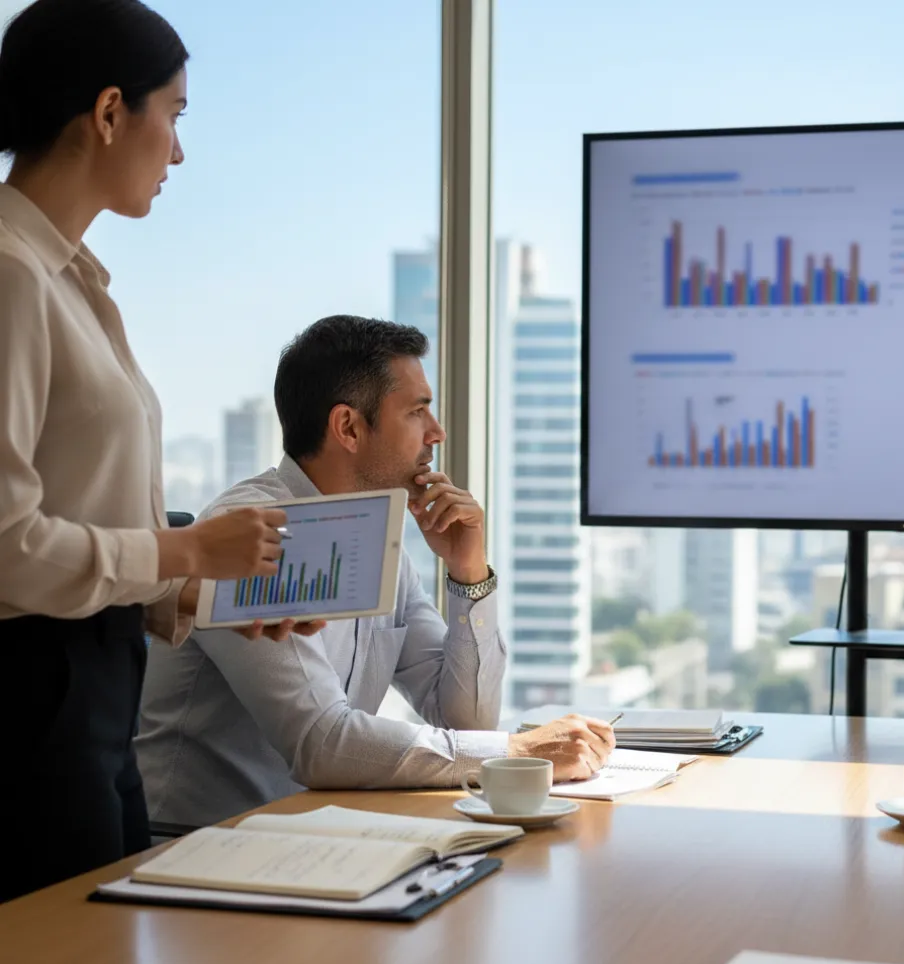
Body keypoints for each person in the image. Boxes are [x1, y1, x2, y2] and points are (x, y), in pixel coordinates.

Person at [0, 0, 322, 902]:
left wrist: (202, 590)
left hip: (95, 690)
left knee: (99, 953)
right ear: (110, 112)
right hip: (32, 699)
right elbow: (7, 545)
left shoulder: (69, 278)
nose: (177, 151)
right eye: (173, 114)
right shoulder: (11, 275)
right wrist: (183, 550)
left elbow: (76, 513)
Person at [137, 315, 616, 827]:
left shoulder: (378, 540)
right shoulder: (254, 535)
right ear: (348, 427)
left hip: (312, 832)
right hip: (202, 843)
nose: (437, 432)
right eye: (417, 411)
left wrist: (468, 572)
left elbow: (465, 720)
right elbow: (320, 743)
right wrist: (515, 751)